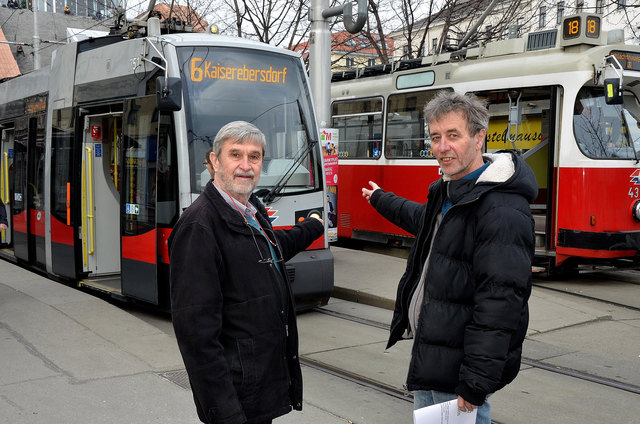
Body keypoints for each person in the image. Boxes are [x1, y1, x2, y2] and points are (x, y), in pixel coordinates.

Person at [361, 91, 537, 423]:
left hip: (459, 372)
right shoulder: (450, 190)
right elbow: (421, 219)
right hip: (434, 357)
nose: (442, 147)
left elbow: (500, 304)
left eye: (453, 136)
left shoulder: (501, 210)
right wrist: (380, 199)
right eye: (436, 137)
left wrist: (475, 382)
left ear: (479, 137)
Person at [168, 121, 324, 424]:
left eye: (254, 157)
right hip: (236, 403)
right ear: (214, 161)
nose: (245, 166)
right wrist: (225, 414)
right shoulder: (199, 227)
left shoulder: (250, 210)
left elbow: (271, 250)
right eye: (235, 154)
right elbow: (197, 338)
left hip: (257, 391)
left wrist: (313, 227)